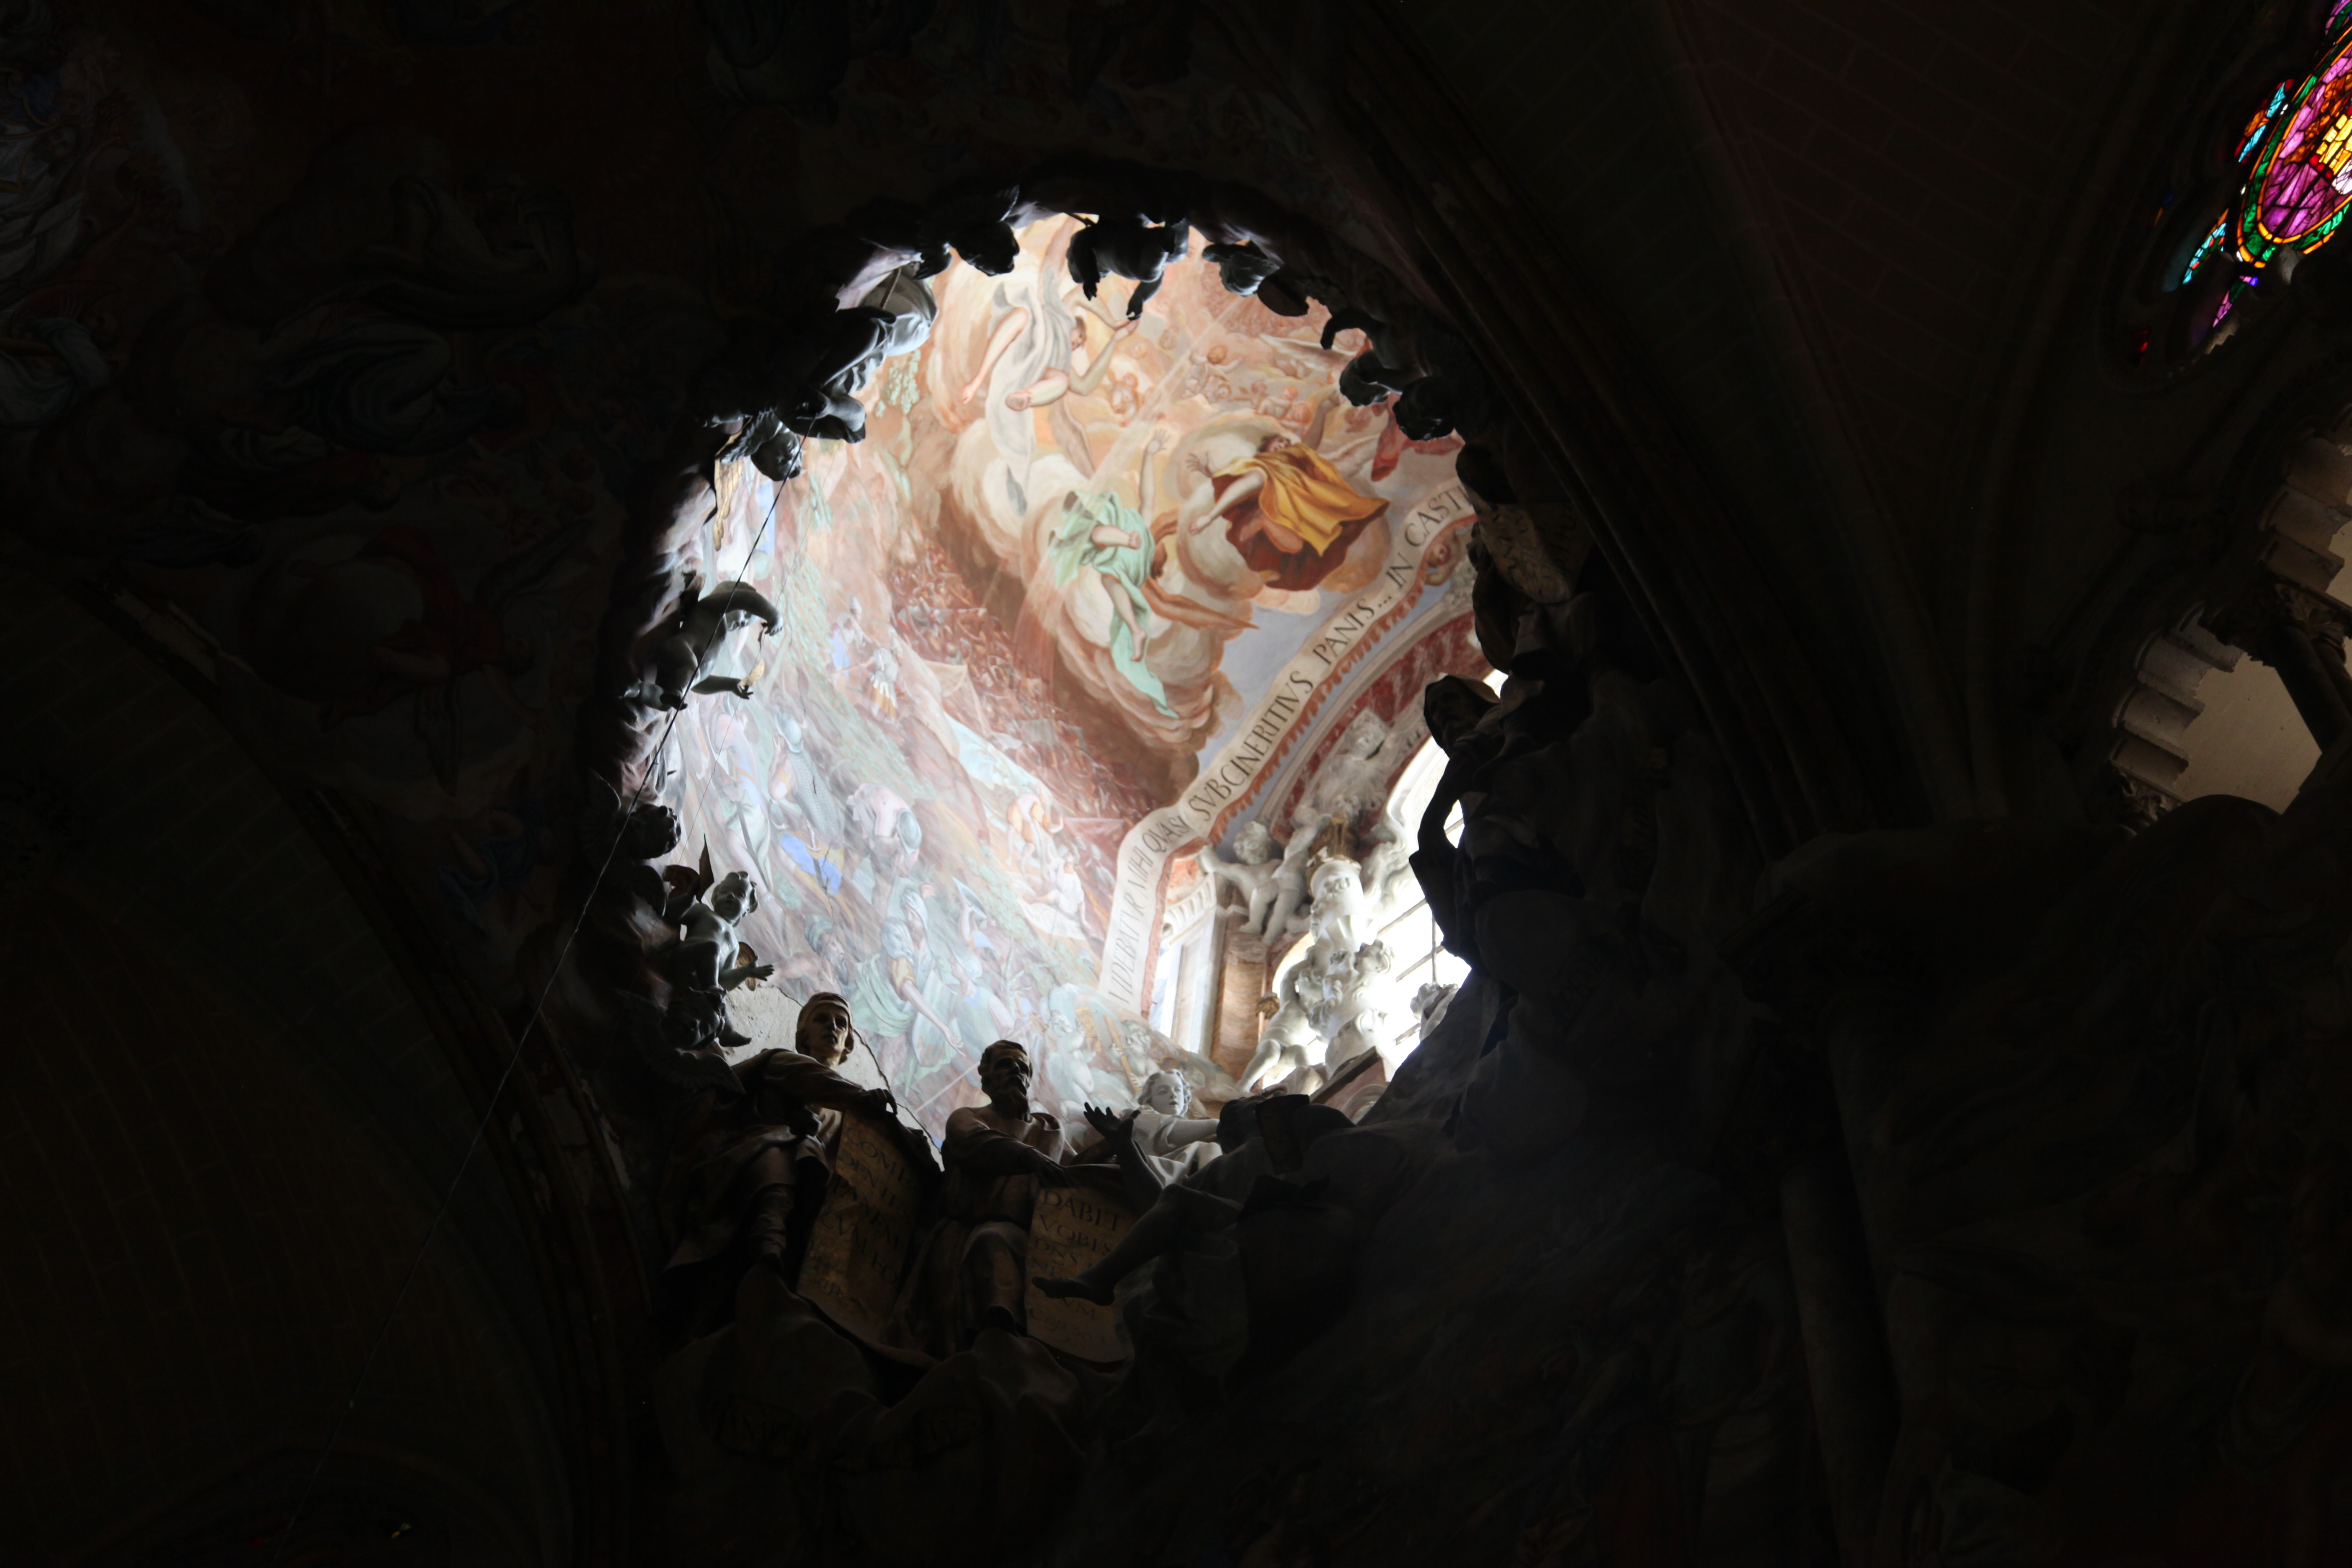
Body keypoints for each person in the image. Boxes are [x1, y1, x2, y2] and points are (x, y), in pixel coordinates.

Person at [658, 993, 905, 1339]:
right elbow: (809, 1079)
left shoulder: (851, 1120)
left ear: (849, 1043)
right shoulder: (786, 1062)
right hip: (755, 1156)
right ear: (804, 1036)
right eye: (822, 1019)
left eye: (841, 1024)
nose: (832, 1028)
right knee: (780, 1159)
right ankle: (767, 1259)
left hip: (811, 1198)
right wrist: (861, 1097)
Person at [937, 1040, 1071, 1336]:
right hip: (979, 1228)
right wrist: (1027, 1156)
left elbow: (1076, 1173)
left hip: (1035, 1239)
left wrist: (1116, 1149)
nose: (1015, 1072)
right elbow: (974, 1143)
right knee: (992, 1240)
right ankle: (1001, 1334)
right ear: (986, 1077)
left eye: (1022, 1068)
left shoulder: (1047, 1130)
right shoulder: (969, 1117)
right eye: (1005, 1065)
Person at [1186, 425, 1388, 593]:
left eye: (1286, 443)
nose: (1283, 444)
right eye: (1278, 441)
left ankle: (1392, 437)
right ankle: (1216, 518)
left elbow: (1309, 444)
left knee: (1299, 546)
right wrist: (1213, 478)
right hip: (1274, 501)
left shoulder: (1294, 457)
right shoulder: (1262, 464)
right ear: (1266, 447)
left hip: (1301, 503)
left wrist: (1323, 410)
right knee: (1259, 476)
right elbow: (1239, 482)